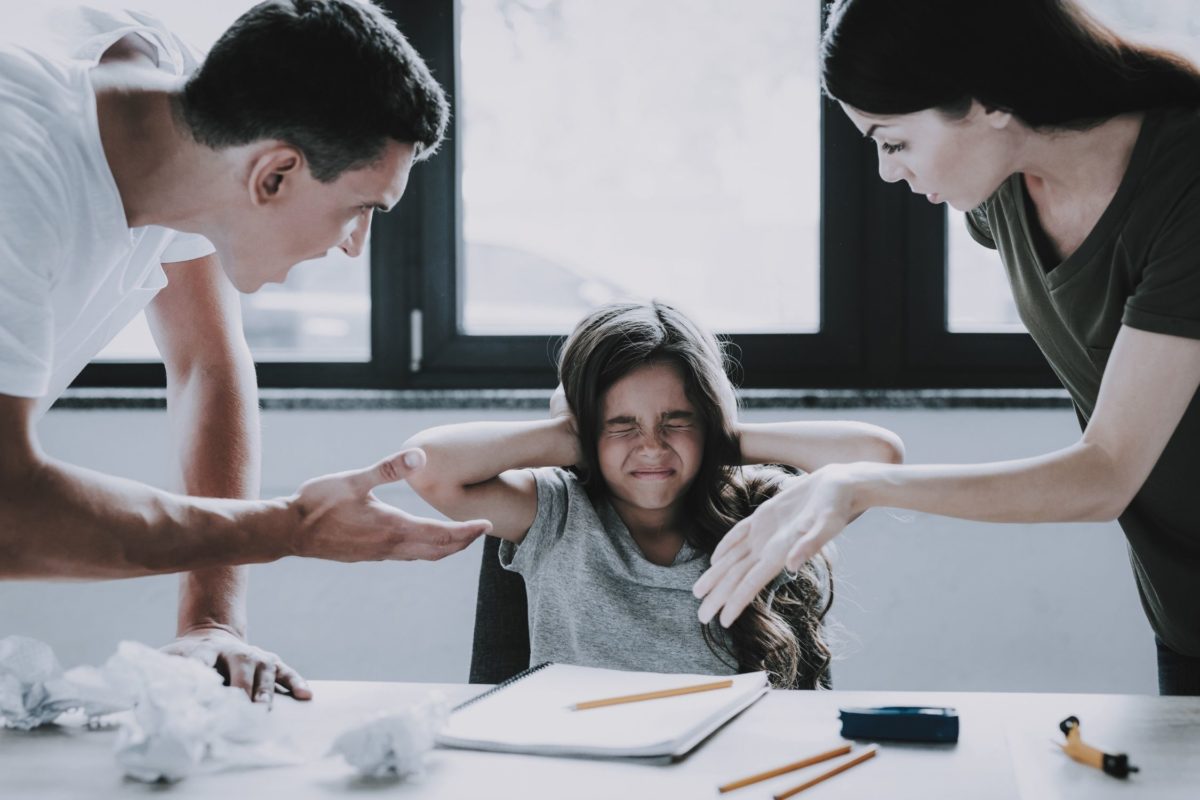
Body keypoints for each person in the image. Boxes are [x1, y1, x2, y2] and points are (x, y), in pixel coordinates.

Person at [693, 0, 1200, 696]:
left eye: (893, 141)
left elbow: (1108, 472)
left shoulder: (1186, 183)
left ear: (987, 99)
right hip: (1182, 605)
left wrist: (859, 482)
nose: (885, 173)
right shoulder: (998, 196)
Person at [0, 1, 490, 703]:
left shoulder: (177, 126)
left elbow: (206, 364)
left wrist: (211, 621)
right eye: (362, 210)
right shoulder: (17, 171)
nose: (354, 247)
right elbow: (9, 509)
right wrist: (291, 527)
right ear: (274, 176)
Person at [404, 301, 903, 688]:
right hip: (582, 765)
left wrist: (722, 438)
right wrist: (566, 436)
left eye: (676, 421)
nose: (651, 447)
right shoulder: (555, 512)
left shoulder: (762, 512)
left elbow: (878, 457)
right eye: (621, 425)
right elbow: (426, 466)